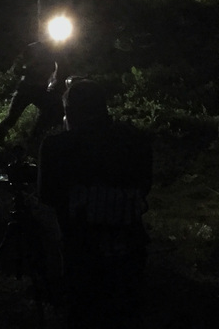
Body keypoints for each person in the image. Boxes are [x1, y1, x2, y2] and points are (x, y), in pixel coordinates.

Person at [37, 78, 152, 328]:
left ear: (69, 112)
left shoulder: (57, 147)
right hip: (129, 249)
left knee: (83, 312)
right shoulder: (137, 140)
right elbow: (144, 186)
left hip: (80, 252)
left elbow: (47, 196)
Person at [0, 42, 65, 144]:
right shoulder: (33, 47)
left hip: (40, 90)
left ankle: (34, 138)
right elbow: (17, 67)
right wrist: (27, 71)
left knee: (51, 109)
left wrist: (53, 82)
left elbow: (59, 69)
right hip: (26, 88)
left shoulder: (54, 50)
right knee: (12, 117)